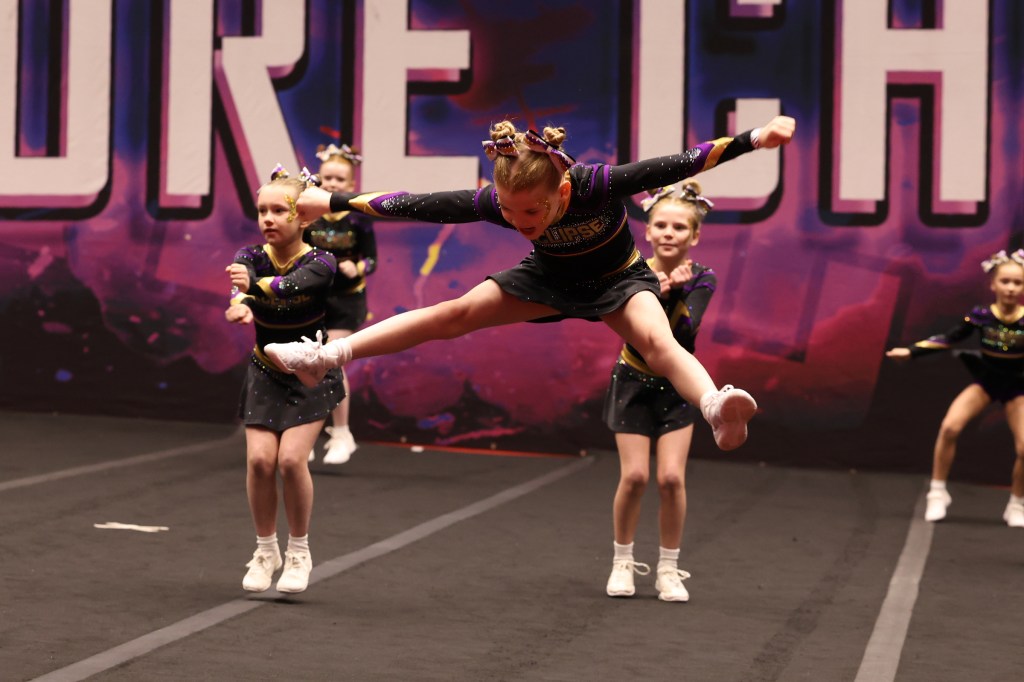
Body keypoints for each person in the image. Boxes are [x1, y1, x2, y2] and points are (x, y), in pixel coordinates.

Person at [266, 115, 797, 452]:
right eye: (509, 211)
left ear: (562, 192)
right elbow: (415, 204)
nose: (519, 222)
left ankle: (714, 407)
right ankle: (325, 358)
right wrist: (333, 201)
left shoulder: (596, 184)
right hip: (548, 278)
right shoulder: (501, 203)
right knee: (454, 313)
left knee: (658, 342)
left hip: (617, 280)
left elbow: (678, 163)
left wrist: (754, 138)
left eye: (532, 212)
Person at [225, 165, 343, 593]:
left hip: (311, 370)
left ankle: (299, 551)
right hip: (266, 370)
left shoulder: (321, 262)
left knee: (291, 461)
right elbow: (241, 286)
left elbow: (289, 286)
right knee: (260, 461)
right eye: (262, 211)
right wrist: (239, 304)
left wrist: (250, 291)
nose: (268, 219)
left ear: (304, 217)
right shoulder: (250, 255)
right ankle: (265, 550)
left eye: (279, 210)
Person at [603, 180, 715, 602]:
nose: (669, 233)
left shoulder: (702, 277)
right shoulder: (632, 273)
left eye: (679, 227)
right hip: (633, 380)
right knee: (634, 477)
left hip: (677, 386)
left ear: (694, 236)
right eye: (661, 226)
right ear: (647, 231)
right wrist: (658, 290)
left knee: (670, 478)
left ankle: (668, 569)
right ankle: (622, 561)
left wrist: (677, 293)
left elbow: (683, 337)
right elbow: (634, 334)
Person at [886, 249, 1024, 527]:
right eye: (1005, 281)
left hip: (1017, 387)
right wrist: (911, 351)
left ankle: (1017, 503)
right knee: (950, 427)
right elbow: (949, 339)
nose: (1011, 288)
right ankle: (937, 493)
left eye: (1017, 282)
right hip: (986, 382)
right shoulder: (981, 316)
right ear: (993, 284)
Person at [302, 143, 377, 464]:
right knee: (306, 364)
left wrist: (356, 267)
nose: (332, 183)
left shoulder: (358, 219)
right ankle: (302, 436)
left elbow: (372, 260)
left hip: (347, 300)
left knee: (331, 361)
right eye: (327, 178)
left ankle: (342, 432)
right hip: (313, 298)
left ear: (351, 184)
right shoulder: (309, 216)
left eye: (339, 179)